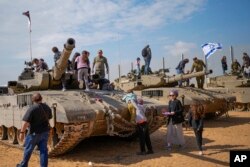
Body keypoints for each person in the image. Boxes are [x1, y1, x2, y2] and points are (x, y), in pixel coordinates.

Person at [17, 93, 52, 167]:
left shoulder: (32, 108)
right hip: (44, 133)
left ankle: (23, 165)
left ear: (33, 100)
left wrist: (22, 132)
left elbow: (25, 122)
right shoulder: (47, 107)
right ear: (41, 99)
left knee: (28, 150)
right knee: (43, 151)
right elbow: (48, 118)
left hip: (33, 133)